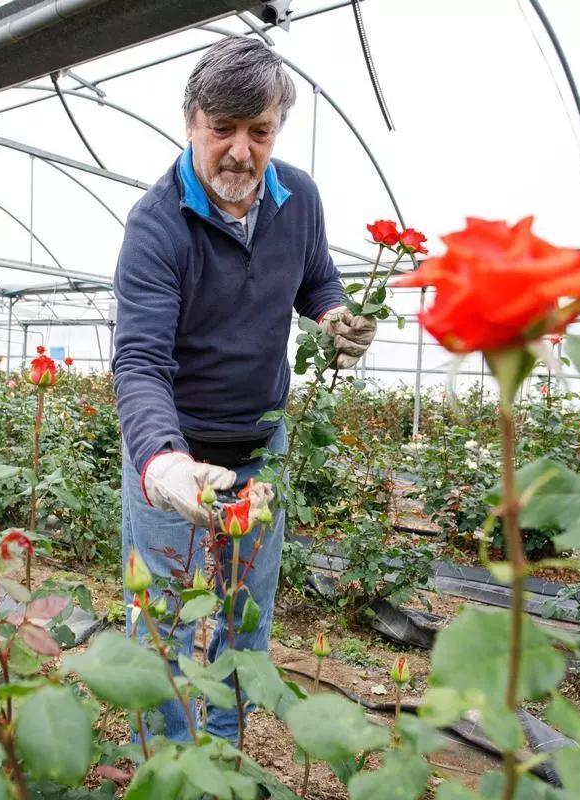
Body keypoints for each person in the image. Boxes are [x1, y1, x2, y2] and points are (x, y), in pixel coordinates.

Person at [111, 36, 375, 743]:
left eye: (258, 131)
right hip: (177, 457)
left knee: (243, 618)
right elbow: (139, 361)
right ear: (191, 122)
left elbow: (316, 276)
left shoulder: (300, 199)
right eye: (221, 129)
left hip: (259, 448)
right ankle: (169, 767)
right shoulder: (157, 225)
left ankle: (223, 759)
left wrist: (334, 316)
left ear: (275, 130)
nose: (240, 151)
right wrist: (164, 465)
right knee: (160, 625)